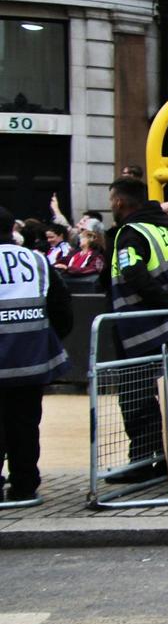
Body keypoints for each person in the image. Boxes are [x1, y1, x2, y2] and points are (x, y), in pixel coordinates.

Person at [102, 176, 168, 483]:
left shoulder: (131, 232)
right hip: (166, 324)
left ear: (121, 202)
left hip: (136, 325)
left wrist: (166, 300)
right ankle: (162, 459)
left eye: (112, 200)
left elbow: (132, 271)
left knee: (135, 395)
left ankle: (140, 463)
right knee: (159, 396)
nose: (111, 205)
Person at [0, 206, 73, 503]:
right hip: (30, 360)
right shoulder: (37, 260)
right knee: (26, 425)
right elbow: (62, 310)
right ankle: (24, 485)